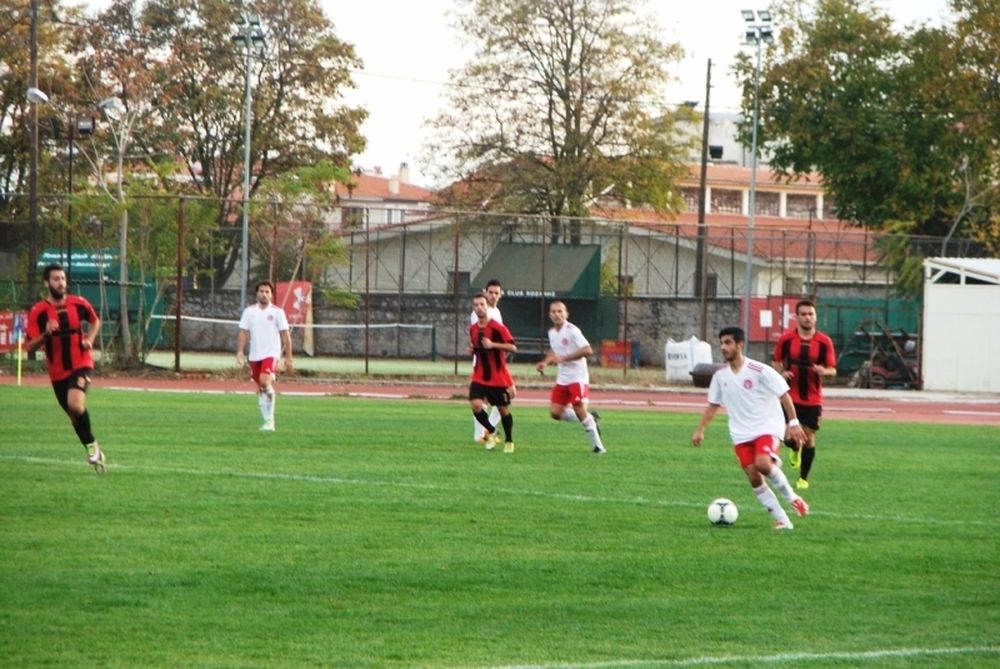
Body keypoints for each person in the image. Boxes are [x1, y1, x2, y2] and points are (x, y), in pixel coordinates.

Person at [691, 326, 810, 530]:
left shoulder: (759, 370)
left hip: (767, 427)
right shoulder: (720, 376)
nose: (723, 347)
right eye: (721, 343)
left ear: (740, 344)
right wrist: (700, 429)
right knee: (754, 476)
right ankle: (783, 521)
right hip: (740, 435)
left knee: (762, 464)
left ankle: (793, 498)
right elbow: (713, 405)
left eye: (728, 343)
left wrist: (794, 423)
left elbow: (784, 394)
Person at [25, 263, 105, 471]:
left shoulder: (78, 303)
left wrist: (90, 338)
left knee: (76, 405)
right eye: (56, 279)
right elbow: (29, 346)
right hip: (57, 372)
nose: (61, 283)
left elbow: (95, 321)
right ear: (46, 283)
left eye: (62, 278)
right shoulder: (39, 312)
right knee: (74, 416)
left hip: (82, 362)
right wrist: (46, 334)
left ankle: (92, 448)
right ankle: (92, 445)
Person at [772, 299, 837, 489]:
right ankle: (794, 449)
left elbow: (833, 369)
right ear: (797, 317)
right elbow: (775, 362)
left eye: (811, 314)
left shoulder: (824, 342)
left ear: (815, 317)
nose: (808, 318)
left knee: (808, 438)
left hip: (813, 399)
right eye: (804, 314)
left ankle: (803, 479)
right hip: (789, 396)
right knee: (789, 437)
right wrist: (781, 373)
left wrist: (823, 371)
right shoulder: (786, 339)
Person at [535, 300, 606, 454]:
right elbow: (555, 351)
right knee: (555, 413)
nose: (556, 314)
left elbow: (588, 350)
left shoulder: (573, 330)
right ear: (550, 315)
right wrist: (545, 363)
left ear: (566, 314)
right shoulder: (552, 333)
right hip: (563, 378)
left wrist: (566, 358)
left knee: (579, 409)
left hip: (578, 377)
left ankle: (599, 447)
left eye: (560, 311)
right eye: (553, 312)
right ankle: (590, 418)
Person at [236, 280, 293, 432]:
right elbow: (243, 332)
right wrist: (240, 351)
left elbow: (285, 335)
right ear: (257, 293)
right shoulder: (249, 312)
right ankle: (266, 420)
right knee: (261, 387)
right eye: (261, 291)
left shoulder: (277, 312)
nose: (264, 294)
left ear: (271, 295)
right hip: (255, 355)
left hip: (271, 353)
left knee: (264, 381)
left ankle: (270, 421)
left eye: (267, 292)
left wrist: (288, 357)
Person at [468, 291, 517, 453]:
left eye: (482, 304)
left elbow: (512, 347)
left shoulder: (497, 327)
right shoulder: (473, 329)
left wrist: (493, 345)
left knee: (503, 410)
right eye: (476, 305)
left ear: (487, 306)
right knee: (475, 405)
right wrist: (472, 350)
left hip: (497, 376)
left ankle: (509, 441)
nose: (479, 308)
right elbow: (477, 347)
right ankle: (492, 431)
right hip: (480, 374)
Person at [470, 278, 506, 443]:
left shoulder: (497, 312)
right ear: (485, 292)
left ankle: (486, 430)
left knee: (506, 396)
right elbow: (477, 338)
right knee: (484, 400)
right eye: (490, 292)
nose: (493, 296)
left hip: (496, 362)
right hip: (484, 363)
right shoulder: (479, 313)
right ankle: (482, 434)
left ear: (501, 295)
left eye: (496, 293)